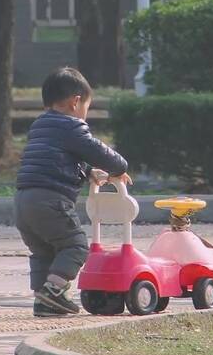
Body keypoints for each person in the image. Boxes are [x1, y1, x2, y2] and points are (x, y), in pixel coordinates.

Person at [15, 66, 131, 316]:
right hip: (50, 199)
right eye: (87, 108)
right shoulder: (72, 127)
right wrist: (120, 166)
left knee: (43, 250)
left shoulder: (40, 126)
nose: (85, 115)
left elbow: (60, 158)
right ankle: (54, 291)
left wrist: (89, 172)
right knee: (75, 245)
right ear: (75, 102)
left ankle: (44, 299)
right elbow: (96, 151)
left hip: (23, 201)